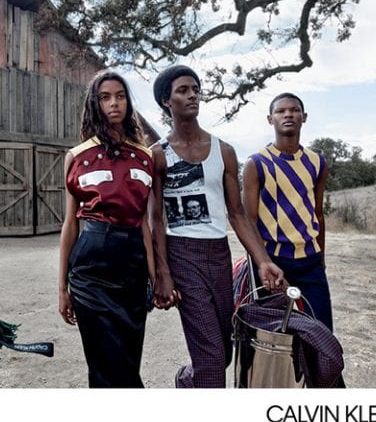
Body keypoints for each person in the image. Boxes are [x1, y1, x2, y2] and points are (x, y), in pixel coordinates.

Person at [152, 65, 285, 388]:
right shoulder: (158, 155)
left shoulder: (224, 151)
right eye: (183, 90)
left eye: (195, 89)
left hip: (218, 254)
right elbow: (154, 219)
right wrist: (162, 272)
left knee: (223, 350)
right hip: (182, 255)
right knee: (212, 360)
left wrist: (262, 261)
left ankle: (187, 380)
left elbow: (237, 214)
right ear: (167, 101)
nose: (193, 95)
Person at [58, 70, 176, 388]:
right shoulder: (77, 156)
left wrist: (155, 276)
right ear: (95, 104)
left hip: (132, 266)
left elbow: (145, 222)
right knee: (103, 362)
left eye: (120, 96)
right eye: (105, 97)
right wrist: (62, 288)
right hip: (91, 266)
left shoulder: (145, 156)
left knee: (128, 356)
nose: (114, 103)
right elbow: (70, 223)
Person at [242, 93, 337, 333]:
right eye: (281, 111)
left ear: (304, 117)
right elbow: (248, 220)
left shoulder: (317, 162)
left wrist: (321, 259)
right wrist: (261, 262)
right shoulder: (257, 163)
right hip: (273, 259)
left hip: (310, 260)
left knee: (321, 333)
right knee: (270, 337)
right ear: (270, 119)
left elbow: (318, 214)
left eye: (294, 110)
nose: (288, 115)